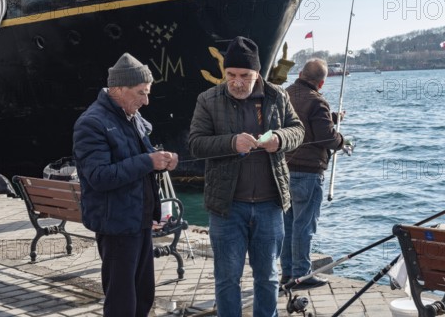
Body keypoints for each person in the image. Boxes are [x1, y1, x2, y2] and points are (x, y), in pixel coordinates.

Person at [189, 36, 304, 317]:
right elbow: (195, 143)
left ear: (258, 73)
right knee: (227, 279)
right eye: (231, 75)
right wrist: (231, 143)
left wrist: (280, 137)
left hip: (270, 205)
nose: (237, 82)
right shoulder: (207, 99)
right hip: (227, 208)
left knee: (268, 279)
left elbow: (298, 130)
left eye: (244, 75)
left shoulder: (278, 96)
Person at [73, 53, 179, 317]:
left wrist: (163, 160)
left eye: (148, 93)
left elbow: (142, 158)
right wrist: (148, 161)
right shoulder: (92, 123)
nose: (146, 101)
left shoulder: (131, 117)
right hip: (116, 224)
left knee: (143, 293)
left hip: (139, 220)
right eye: (141, 93)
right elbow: (99, 176)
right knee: (122, 299)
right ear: (118, 89)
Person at [280, 58, 345, 288]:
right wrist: (342, 140)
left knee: (288, 225)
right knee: (304, 226)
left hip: (284, 170)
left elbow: (302, 121)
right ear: (321, 82)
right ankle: (302, 275)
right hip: (307, 174)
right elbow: (326, 138)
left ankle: (287, 274)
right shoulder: (318, 101)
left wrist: (332, 118)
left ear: (300, 73)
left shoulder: (284, 95)